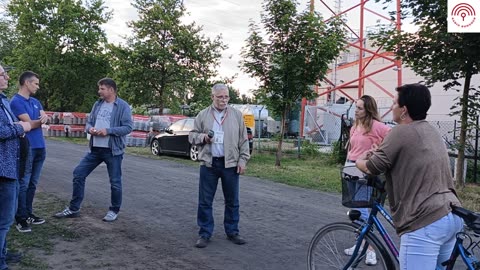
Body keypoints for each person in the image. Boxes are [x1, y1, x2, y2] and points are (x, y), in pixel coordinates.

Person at [356, 83, 463, 269]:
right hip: (450, 214)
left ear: (404, 110)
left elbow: (373, 167)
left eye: (394, 103)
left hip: (425, 220)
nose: (391, 107)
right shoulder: (431, 130)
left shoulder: (400, 131)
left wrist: (358, 161)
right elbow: (409, 158)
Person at [54, 78, 132, 222]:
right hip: (95, 149)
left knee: (115, 182)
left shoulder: (123, 106)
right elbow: (89, 122)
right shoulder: (98, 104)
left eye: (102, 88)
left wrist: (108, 131)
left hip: (112, 150)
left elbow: (128, 127)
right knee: (78, 174)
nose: (99, 91)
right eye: (99, 88)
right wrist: (91, 129)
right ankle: (74, 208)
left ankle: (114, 210)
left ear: (111, 90)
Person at [188, 83, 250, 248]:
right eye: (220, 97)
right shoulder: (203, 115)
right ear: (212, 97)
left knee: (232, 201)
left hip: (230, 163)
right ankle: (205, 233)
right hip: (209, 164)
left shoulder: (237, 115)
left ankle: (232, 232)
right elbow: (191, 136)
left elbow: (244, 140)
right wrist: (203, 138)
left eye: (226, 97)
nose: (224, 100)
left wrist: (243, 160)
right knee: (205, 201)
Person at [343, 95, 391, 265]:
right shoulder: (355, 126)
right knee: (355, 210)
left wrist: (376, 151)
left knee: (364, 211)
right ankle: (360, 244)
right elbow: (352, 148)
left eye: (360, 108)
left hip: (366, 170)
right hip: (351, 167)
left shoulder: (378, 127)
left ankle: (371, 250)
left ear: (368, 109)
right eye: (356, 107)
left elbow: (391, 139)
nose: (356, 111)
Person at [0, 65, 32, 270]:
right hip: (3, 168)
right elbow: (2, 131)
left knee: (4, 220)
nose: (7, 76)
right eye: (2, 74)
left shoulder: (3, 100)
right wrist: (23, 127)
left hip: (9, 165)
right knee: (4, 220)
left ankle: (2, 253)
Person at [10, 71, 49, 233]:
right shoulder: (16, 102)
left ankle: (28, 212)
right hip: (27, 147)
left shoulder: (35, 101)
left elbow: (43, 119)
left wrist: (40, 120)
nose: (38, 87)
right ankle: (20, 217)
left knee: (33, 183)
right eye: (36, 83)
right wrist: (40, 121)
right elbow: (30, 123)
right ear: (27, 83)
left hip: (40, 146)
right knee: (24, 183)